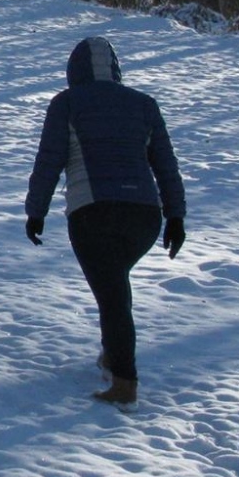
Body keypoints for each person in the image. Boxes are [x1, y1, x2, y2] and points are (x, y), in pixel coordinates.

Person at [24, 36, 187, 405]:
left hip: (93, 212)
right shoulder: (144, 104)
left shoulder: (67, 103)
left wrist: (36, 210)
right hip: (145, 215)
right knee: (114, 286)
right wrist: (175, 215)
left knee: (111, 294)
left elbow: (49, 160)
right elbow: (166, 165)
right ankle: (113, 355)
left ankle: (124, 382)